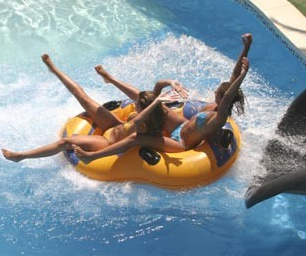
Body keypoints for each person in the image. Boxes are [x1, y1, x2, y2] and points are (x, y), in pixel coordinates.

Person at [74, 33, 252, 163]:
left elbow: (230, 94)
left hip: (180, 143)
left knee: (137, 138)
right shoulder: (215, 106)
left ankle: (92, 157)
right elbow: (234, 77)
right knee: (149, 100)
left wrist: (244, 75)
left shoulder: (220, 118)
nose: (214, 93)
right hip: (180, 125)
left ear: (224, 98)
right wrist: (246, 47)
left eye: (218, 94)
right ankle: (111, 79)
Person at [1, 54, 169, 162]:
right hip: (113, 125)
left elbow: (142, 121)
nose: (134, 103)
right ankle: (54, 70)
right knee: (82, 96)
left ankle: (22, 156)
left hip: (107, 142)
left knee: (65, 141)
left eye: (137, 104)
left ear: (145, 109)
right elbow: (148, 95)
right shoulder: (145, 114)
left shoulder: (143, 125)